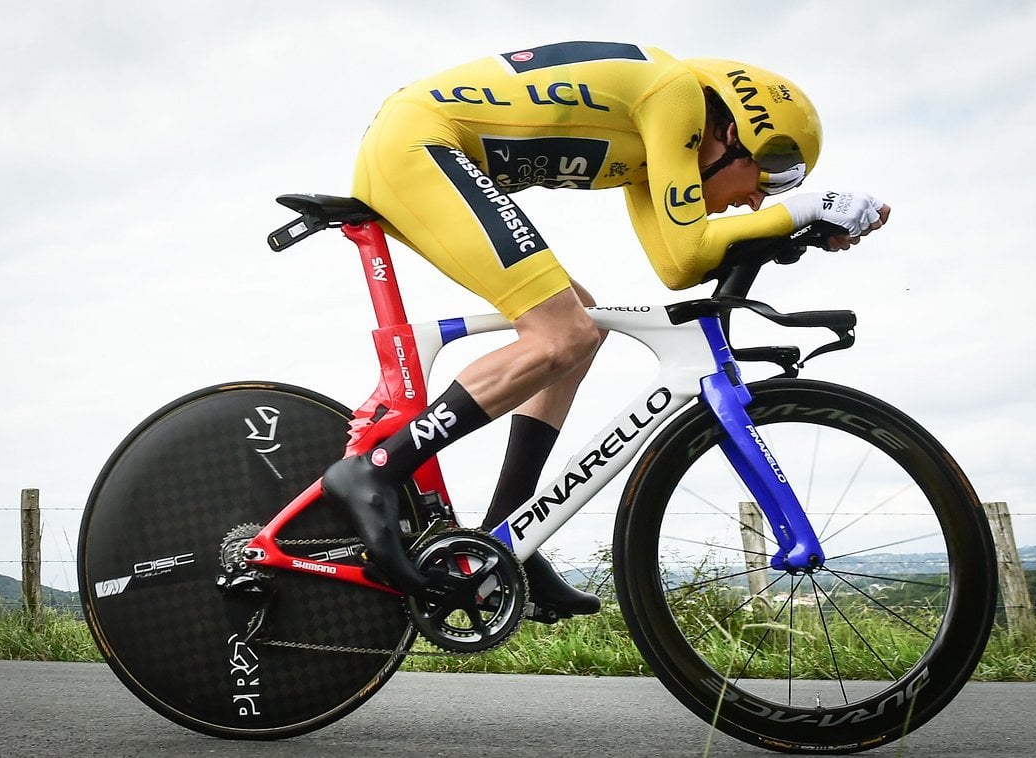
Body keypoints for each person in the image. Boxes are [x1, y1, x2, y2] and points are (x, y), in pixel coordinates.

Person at [322, 41, 890, 618]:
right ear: (736, 132)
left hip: (416, 146)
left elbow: (678, 265)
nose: (757, 200)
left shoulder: (653, 146)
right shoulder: (675, 98)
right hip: (420, 145)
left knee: (581, 322)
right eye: (771, 174)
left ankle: (509, 527)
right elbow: (691, 247)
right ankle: (377, 470)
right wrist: (805, 208)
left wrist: (796, 232)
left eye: (784, 188)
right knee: (559, 333)